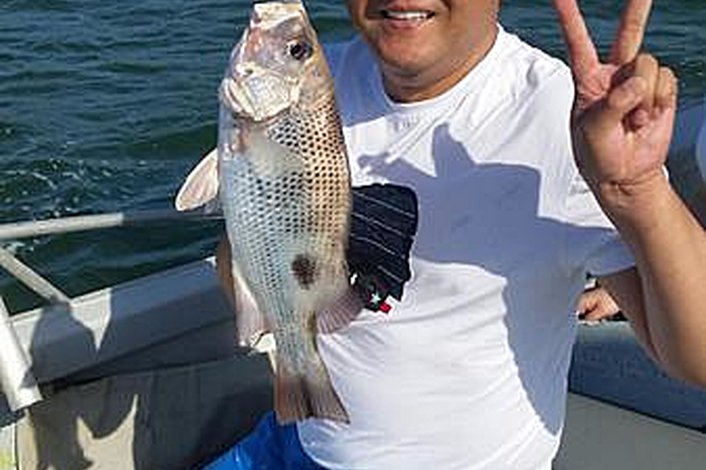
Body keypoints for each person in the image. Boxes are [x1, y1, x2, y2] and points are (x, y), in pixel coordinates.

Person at [206, 0, 706, 468]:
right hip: (299, 438)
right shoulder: (308, 82)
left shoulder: (568, 119)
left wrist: (636, 189)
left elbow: (698, 359)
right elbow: (242, 276)